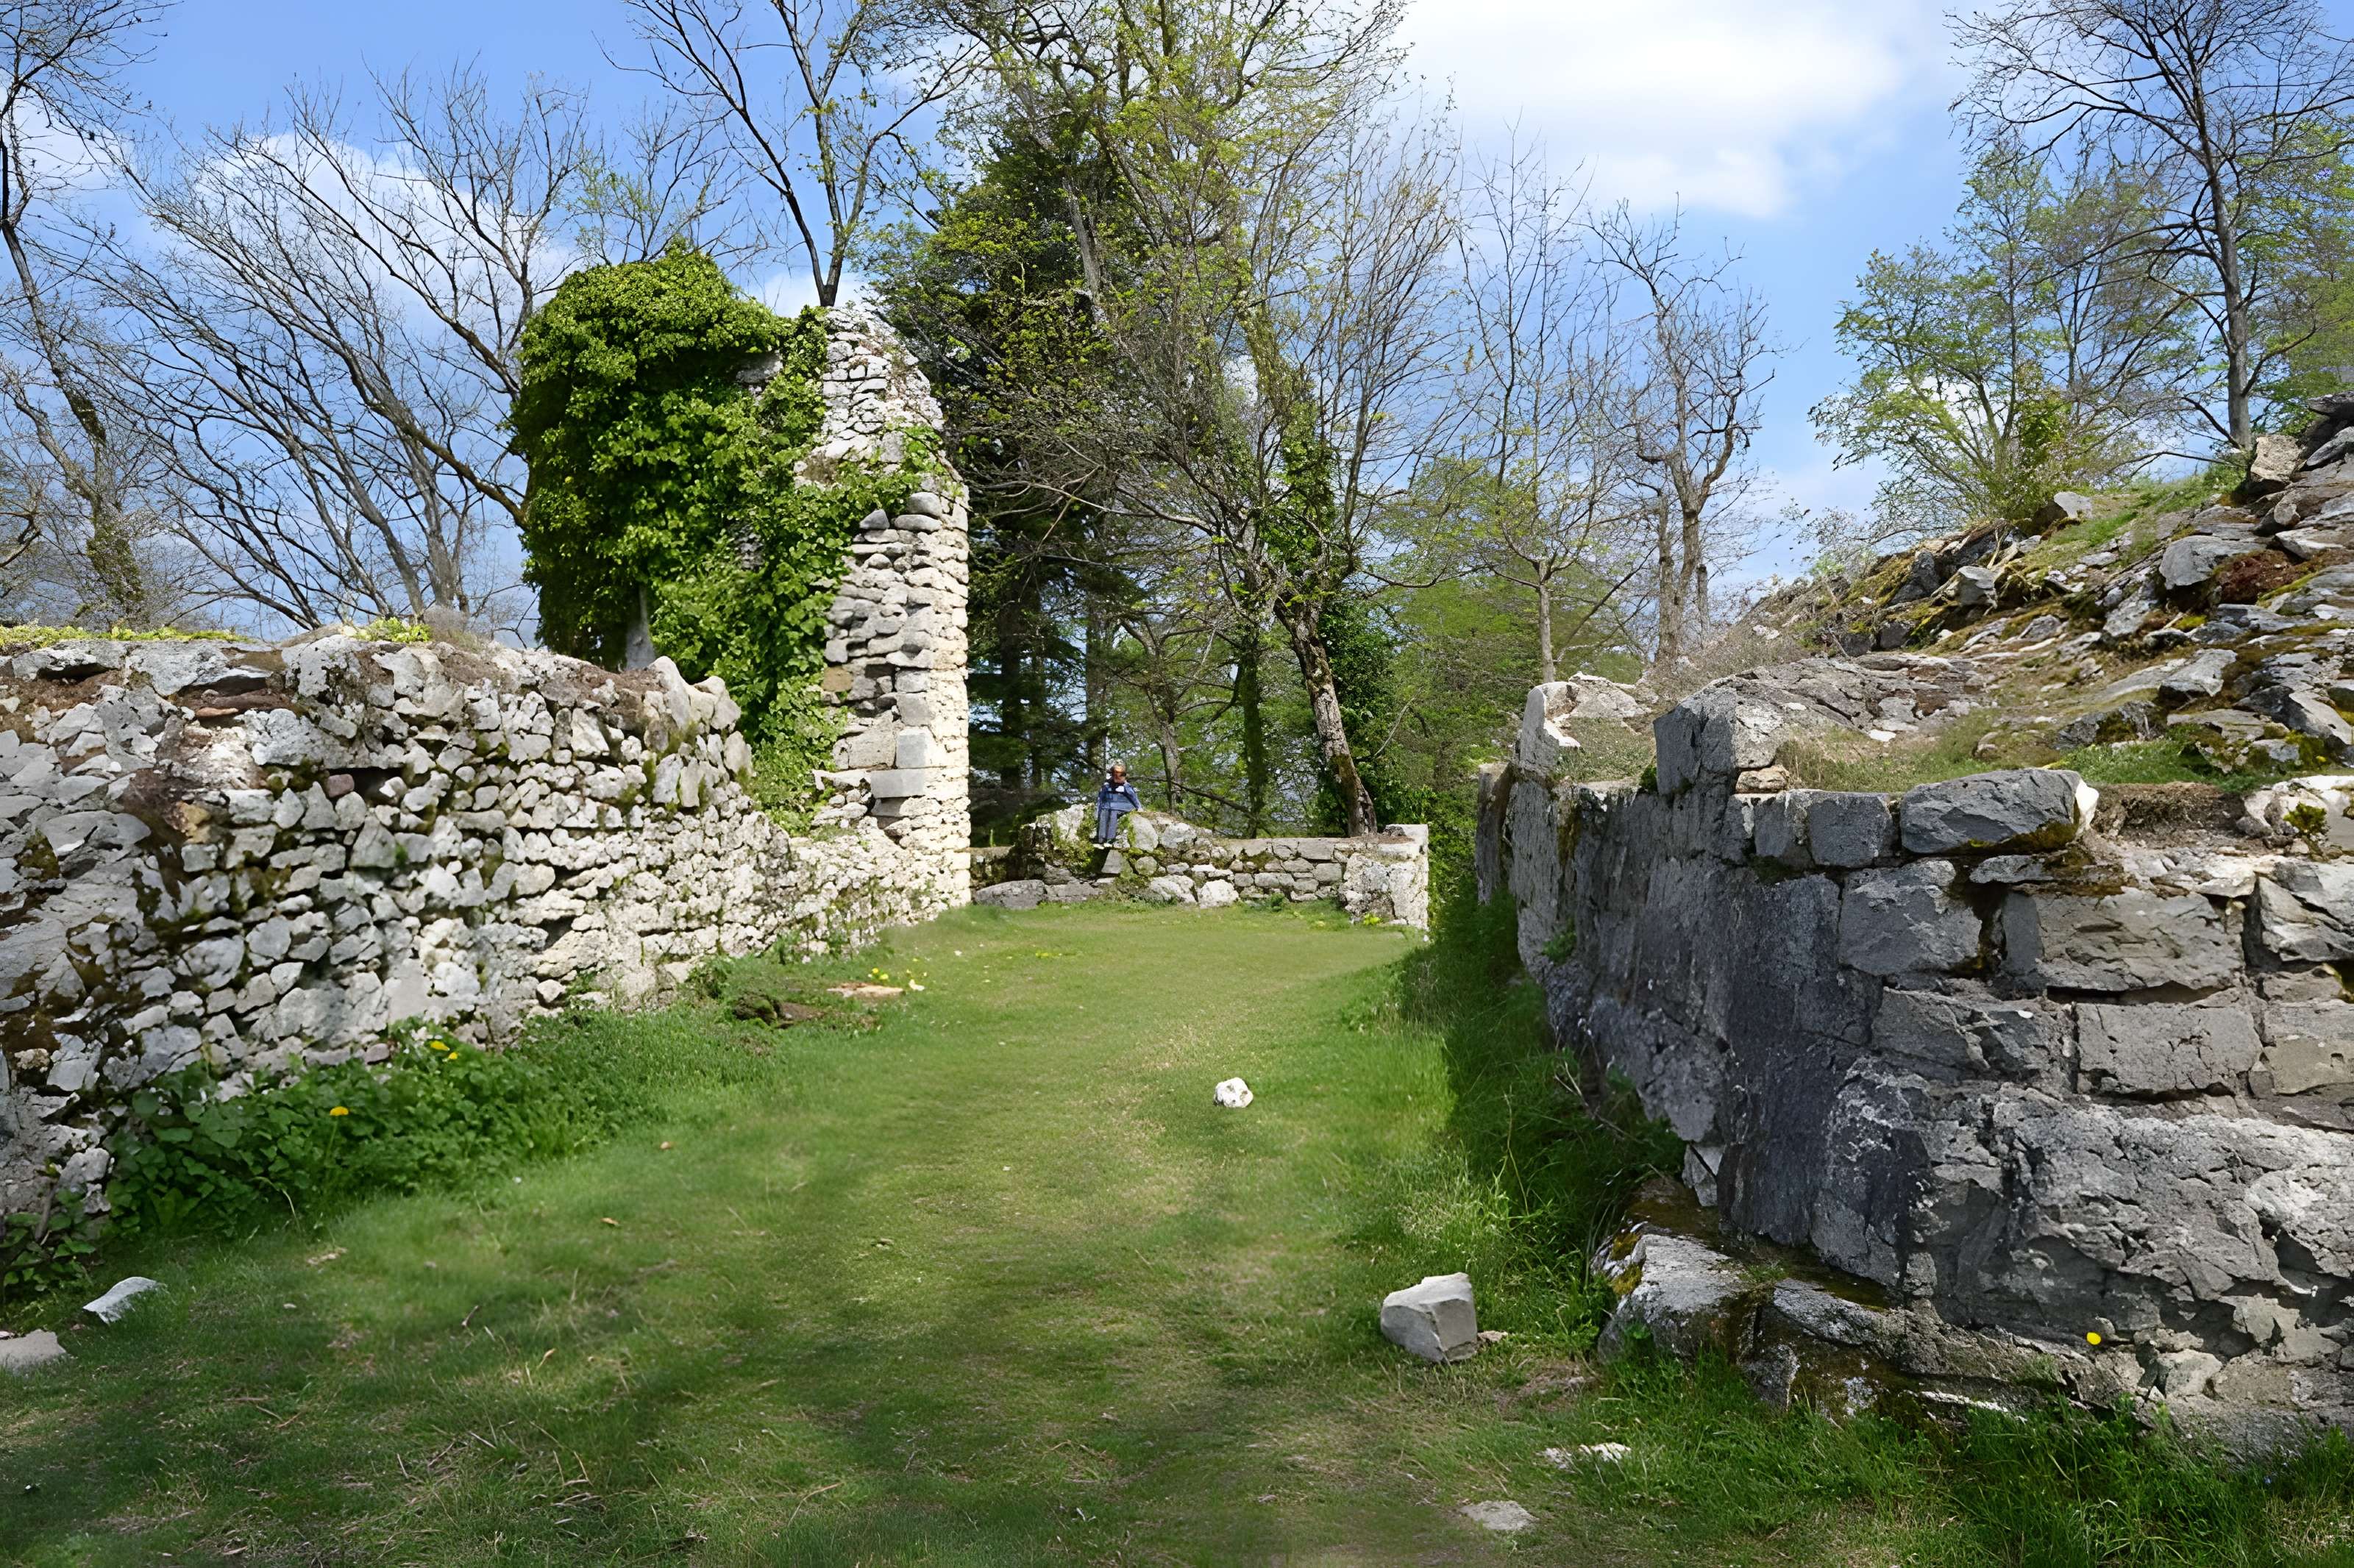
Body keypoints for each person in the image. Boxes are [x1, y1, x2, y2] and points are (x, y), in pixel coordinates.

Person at [1093, 763, 1142, 847]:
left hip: (1124, 807)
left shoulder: (1126, 786)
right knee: (1104, 812)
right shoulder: (1106, 785)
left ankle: (1110, 839)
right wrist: (1097, 810)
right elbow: (1100, 799)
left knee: (1113, 813)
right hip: (1108, 805)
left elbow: (1133, 797)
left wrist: (1139, 807)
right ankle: (1101, 839)